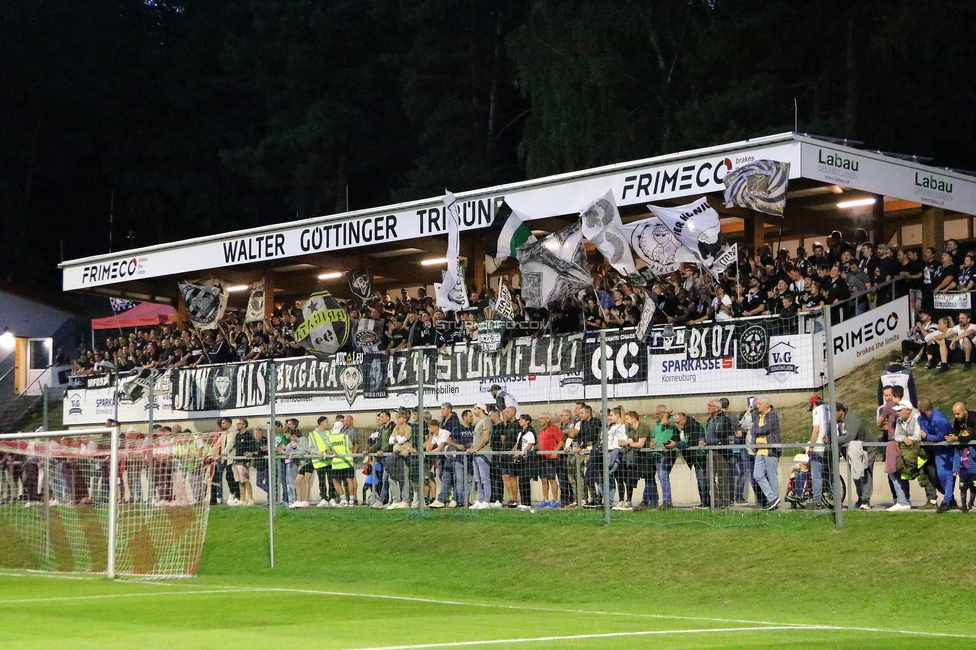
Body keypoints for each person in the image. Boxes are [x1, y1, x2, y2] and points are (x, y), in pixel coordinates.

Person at [835, 402, 878, 510]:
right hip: (853, 450)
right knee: (855, 473)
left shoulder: (852, 419)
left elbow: (850, 436)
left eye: (833, 412)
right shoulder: (839, 421)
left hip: (867, 448)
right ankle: (860, 497)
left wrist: (833, 439)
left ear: (841, 411)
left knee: (865, 472)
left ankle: (865, 500)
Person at [917, 398, 957, 513]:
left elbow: (942, 437)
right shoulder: (921, 419)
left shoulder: (939, 419)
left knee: (947, 475)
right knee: (940, 476)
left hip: (947, 450)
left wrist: (926, 436)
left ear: (921, 409)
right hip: (937, 451)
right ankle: (951, 500)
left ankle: (946, 501)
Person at [886, 399, 922, 512]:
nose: (898, 413)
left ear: (908, 410)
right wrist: (904, 438)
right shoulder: (899, 420)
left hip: (919, 452)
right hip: (906, 450)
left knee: (924, 475)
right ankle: (903, 501)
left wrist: (908, 438)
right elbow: (897, 436)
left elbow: (917, 436)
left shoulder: (917, 418)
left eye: (900, 410)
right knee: (895, 472)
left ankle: (933, 500)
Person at [751, 397, 782, 510]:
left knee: (772, 476)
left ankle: (774, 502)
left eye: (759, 403)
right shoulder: (757, 416)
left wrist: (758, 429)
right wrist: (758, 429)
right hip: (759, 450)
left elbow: (765, 429)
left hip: (770, 450)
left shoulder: (772, 415)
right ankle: (772, 498)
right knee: (757, 475)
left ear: (766, 405)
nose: (757, 405)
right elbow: (753, 430)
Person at [703, 399, 735, 509]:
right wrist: (703, 441)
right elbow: (708, 434)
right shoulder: (709, 420)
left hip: (721, 452)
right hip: (710, 451)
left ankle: (724, 501)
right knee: (708, 476)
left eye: (710, 405)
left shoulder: (724, 420)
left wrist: (710, 442)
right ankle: (716, 499)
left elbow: (726, 435)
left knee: (723, 477)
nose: (707, 407)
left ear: (716, 408)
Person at [674, 412, 708, 508]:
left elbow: (690, 442)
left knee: (702, 479)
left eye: (677, 422)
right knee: (700, 479)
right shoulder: (679, 428)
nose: (676, 424)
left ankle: (705, 502)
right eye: (675, 422)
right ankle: (704, 501)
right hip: (691, 457)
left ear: (684, 420)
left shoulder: (694, 426)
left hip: (699, 457)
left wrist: (676, 444)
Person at [535, 412, 564, 509]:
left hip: (551, 458)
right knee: (543, 479)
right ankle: (546, 500)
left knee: (552, 479)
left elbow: (560, 441)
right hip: (542, 458)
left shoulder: (554, 428)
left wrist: (555, 451)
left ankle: (555, 500)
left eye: (542, 418)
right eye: (539, 418)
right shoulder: (542, 430)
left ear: (548, 419)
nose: (540, 420)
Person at [467, 404, 493, 509]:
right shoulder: (479, 422)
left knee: (484, 478)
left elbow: (486, 438)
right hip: (476, 453)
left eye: (475, 409)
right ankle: (480, 499)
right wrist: (472, 448)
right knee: (477, 478)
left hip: (483, 453)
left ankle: (486, 499)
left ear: (481, 409)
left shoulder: (486, 420)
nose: (474, 411)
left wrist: (476, 448)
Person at [806, 396, 830, 508]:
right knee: (829, 473)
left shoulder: (817, 411)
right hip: (829, 446)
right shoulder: (829, 409)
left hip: (819, 447)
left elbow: (816, 430)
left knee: (816, 475)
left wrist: (811, 446)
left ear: (813, 404)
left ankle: (817, 500)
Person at [512, 414, 537, 510]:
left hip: (528, 459)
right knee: (521, 480)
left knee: (525, 480)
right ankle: (523, 501)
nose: (520, 421)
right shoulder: (520, 433)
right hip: (520, 459)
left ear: (527, 421)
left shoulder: (530, 432)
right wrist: (513, 452)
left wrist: (522, 453)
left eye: (522, 420)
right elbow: (517, 444)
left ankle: (527, 502)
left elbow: (530, 445)